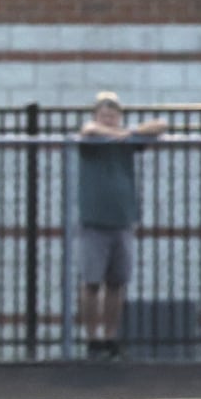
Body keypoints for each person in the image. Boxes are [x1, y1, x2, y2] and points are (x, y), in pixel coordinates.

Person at [77, 91, 167, 360]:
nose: (109, 118)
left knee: (117, 283)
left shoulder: (128, 139)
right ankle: (93, 340)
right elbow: (88, 129)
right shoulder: (92, 138)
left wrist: (129, 132)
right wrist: (113, 133)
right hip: (94, 221)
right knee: (92, 283)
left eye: (114, 114)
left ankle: (110, 337)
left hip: (122, 221)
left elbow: (161, 125)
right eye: (105, 113)